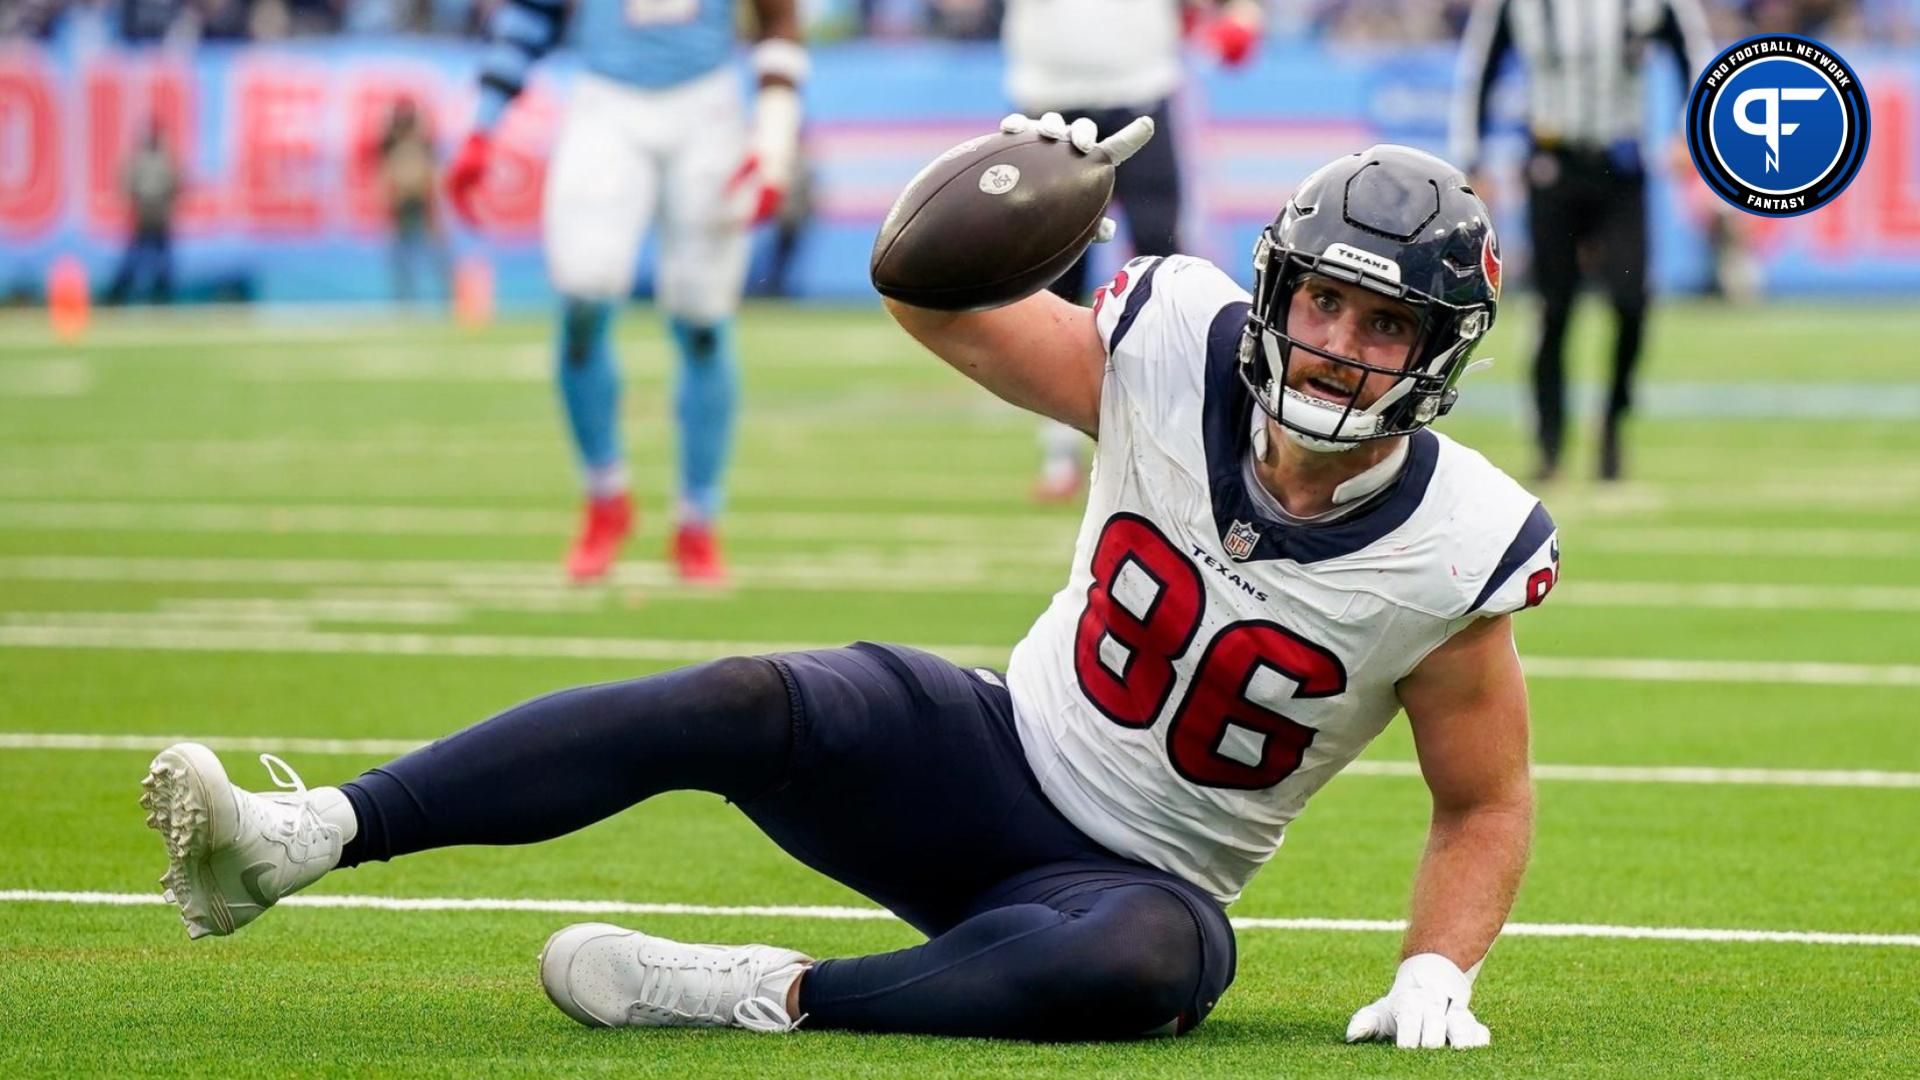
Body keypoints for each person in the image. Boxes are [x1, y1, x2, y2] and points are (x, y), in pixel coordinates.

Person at [140, 119, 1556, 1049]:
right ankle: (303, 836)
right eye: (1325, 301)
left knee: (1156, 967)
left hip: (1136, 882)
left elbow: (1482, 797)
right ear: (1277, 290)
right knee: (751, 695)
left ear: (1443, 349)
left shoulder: (1456, 541)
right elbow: (928, 296)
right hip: (987, 751)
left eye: (1387, 322)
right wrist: (1003, 182)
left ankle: (759, 992)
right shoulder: (1174, 341)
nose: (1340, 344)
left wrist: (1439, 966)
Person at [444, 0, 807, 583]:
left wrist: (776, 140)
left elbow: (777, 17)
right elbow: (531, 16)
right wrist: (483, 122)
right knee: (583, 292)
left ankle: (698, 519)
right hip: (605, 102)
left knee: (703, 319)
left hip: (707, 107)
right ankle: (604, 494)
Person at [1003, 0, 1262, 502]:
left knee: (1168, 268)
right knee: (1054, 277)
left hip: (1140, 88)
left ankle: (1198, 434)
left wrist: (1239, 16)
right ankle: (1059, 451)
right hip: (1048, 95)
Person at [1451, 0, 1713, 483]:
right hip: (1553, 164)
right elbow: (1479, 70)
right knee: (1554, 309)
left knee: (1632, 301)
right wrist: (1474, 159)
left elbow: (1696, 58)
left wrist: (1688, 132)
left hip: (1621, 166)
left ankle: (1613, 424)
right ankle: (1551, 443)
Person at [375, 97, 450, 305]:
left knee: (436, 252)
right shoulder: (390, 144)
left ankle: (446, 297)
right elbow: (385, 174)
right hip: (401, 203)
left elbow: (433, 173)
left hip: (422, 201)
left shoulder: (423, 144)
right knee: (401, 254)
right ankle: (405, 300)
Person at [105, 120, 180, 306]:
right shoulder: (146, 159)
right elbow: (127, 182)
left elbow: (177, 184)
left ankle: (160, 293)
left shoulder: (165, 158)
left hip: (158, 215)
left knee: (160, 260)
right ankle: (120, 293)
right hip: (145, 214)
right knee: (135, 257)